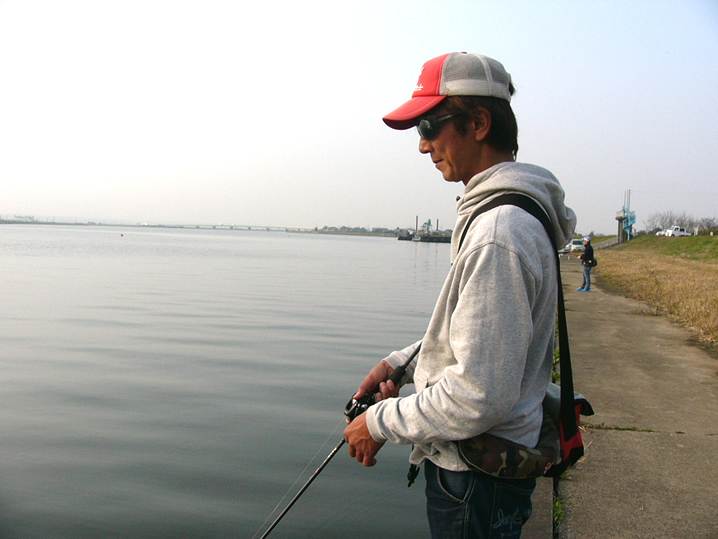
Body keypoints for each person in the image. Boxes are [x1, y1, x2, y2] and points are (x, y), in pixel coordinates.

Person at [343, 52, 576, 538]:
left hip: (474, 484)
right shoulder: (508, 215)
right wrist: (398, 364)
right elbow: (477, 334)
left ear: (478, 123)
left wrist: (379, 422)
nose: (423, 145)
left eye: (429, 125)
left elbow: (477, 395)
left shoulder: (498, 232)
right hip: (483, 480)